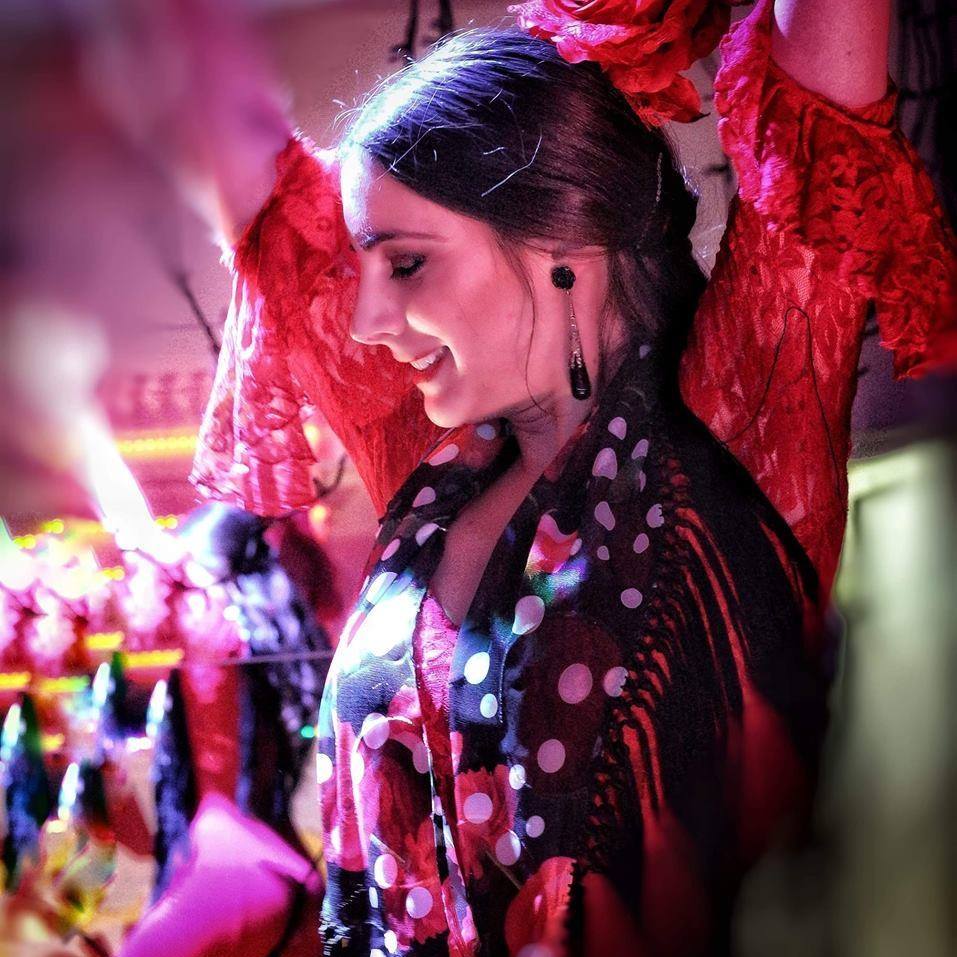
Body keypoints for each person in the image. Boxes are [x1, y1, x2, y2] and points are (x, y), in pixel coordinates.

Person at [77, 0, 956, 954]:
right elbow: (225, 137)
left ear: (560, 241)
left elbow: (823, 55)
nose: (366, 318)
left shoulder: (733, 427)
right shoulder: (428, 474)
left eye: (406, 263)